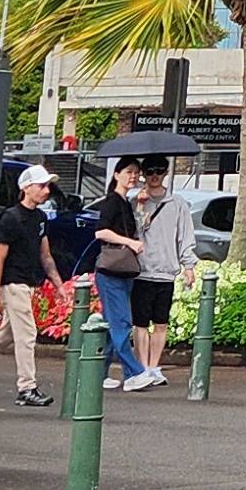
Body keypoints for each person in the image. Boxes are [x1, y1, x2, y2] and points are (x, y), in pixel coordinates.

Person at [0, 166, 61, 407]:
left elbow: (45, 255)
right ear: (26, 188)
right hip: (13, 283)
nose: (46, 190)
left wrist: (59, 285)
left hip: (27, 282)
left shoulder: (39, 218)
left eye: (47, 186)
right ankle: (27, 387)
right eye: (41, 186)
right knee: (28, 334)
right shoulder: (10, 218)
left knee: (4, 336)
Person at [131, 160, 199, 383]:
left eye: (159, 171)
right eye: (150, 171)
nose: (154, 175)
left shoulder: (177, 203)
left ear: (166, 173)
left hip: (166, 272)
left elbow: (185, 236)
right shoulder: (135, 202)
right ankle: (142, 368)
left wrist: (189, 266)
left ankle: (153, 366)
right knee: (140, 323)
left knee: (161, 322)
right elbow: (134, 232)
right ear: (144, 174)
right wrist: (140, 207)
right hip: (141, 271)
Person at [89, 167, 149, 392]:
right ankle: (133, 372)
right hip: (112, 271)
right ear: (116, 175)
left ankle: (99, 373)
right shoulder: (112, 202)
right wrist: (130, 242)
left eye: (136, 172)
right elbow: (100, 232)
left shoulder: (124, 202)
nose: (133, 176)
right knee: (121, 322)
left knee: (110, 324)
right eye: (128, 171)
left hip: (121, 270)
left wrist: (140, 210)